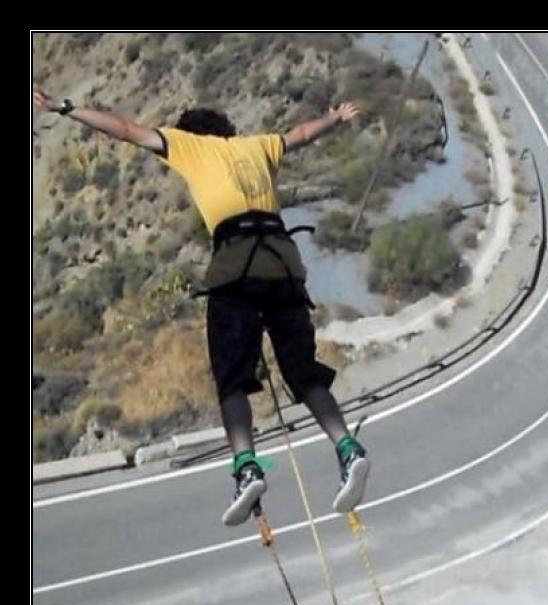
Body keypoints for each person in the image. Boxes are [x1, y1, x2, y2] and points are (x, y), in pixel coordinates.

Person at [33, 85, 370, 525]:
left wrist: (67, 108)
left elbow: (126, 130)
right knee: (302, 373)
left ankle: (246, 468)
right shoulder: (258, 146)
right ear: (226, 130)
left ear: (191, 132)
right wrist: (336, 117)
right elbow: (302, 133)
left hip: (236, 264)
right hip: (285, 264)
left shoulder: (188, 146)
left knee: (232, 378)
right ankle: (347, 448)